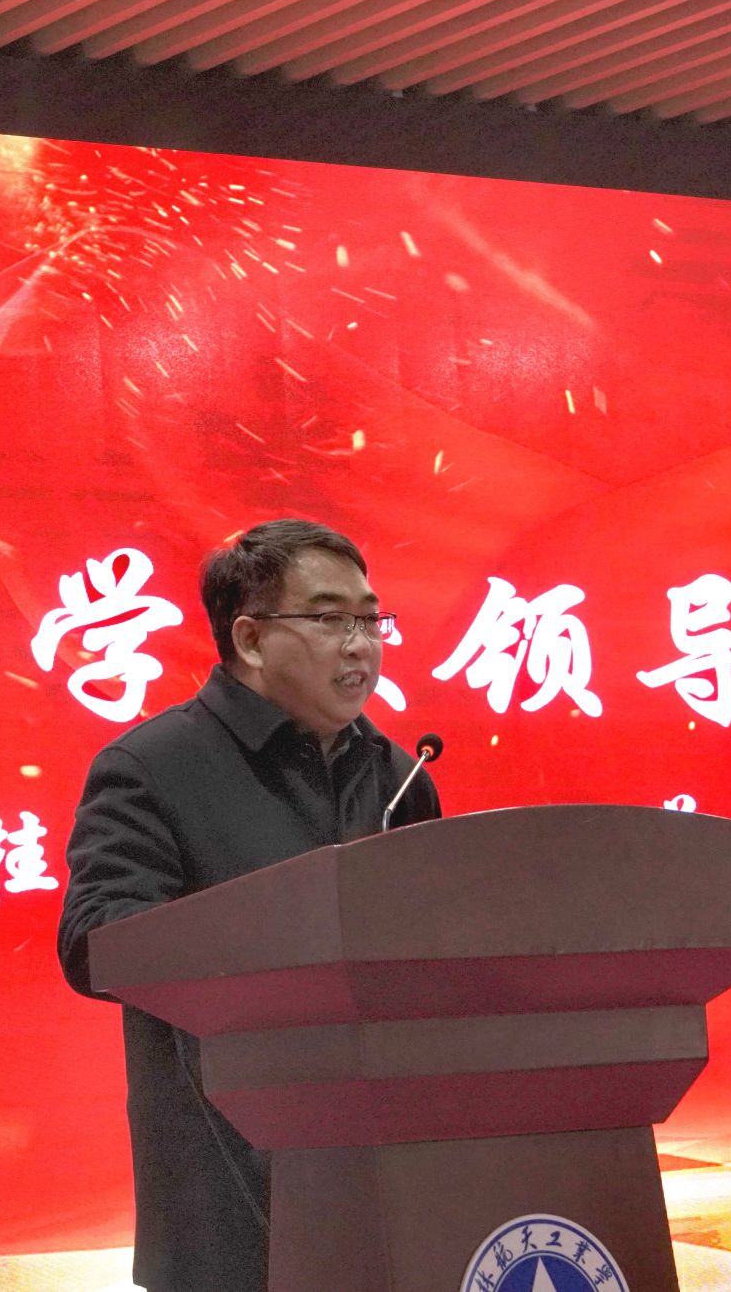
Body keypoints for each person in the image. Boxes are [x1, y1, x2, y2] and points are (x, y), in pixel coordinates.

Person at [56, 518, 441, 1292]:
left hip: (389, 1183)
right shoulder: (152, 766)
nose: (361, 645)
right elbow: (93, 941)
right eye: (330, 619)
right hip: (227, 1191)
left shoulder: (398, 774)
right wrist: (285, 932)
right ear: (252, 638)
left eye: (371, 620)